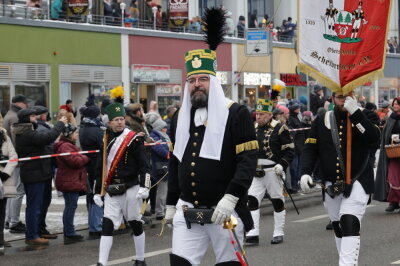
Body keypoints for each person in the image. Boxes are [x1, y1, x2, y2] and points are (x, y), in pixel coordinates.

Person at [165, 9, 258, 264]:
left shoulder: (236, 113)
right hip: (188, 210)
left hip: (223, 210)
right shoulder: (179, 117)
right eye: (192, 79)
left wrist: (231, 197)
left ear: (213, 82)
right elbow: (176, 162)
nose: (197, 84)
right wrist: (171, 203)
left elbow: (248, 160)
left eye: (203, 79)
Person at [300, 93, 380, 265]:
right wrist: (305, 172)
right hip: (331, 183)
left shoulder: (366, 115)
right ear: (333, 97)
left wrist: (356, 113)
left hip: (358, 180)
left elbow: (374, 139)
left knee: (349, 221)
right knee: (338, 226)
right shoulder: (322, 119)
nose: (343, 100)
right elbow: (310, 148)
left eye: (347, 96)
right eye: (340, 96)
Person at [93, 102, 151, 266]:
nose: (119, 122)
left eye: (121, 119)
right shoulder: (105, 139)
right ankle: (101, 263)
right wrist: (97, 191)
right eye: (116, 120)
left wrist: (144, 186)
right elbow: (100, 167)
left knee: (135, 223)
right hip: (111, 189)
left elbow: (144, 165)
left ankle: (140, 259)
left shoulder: (133, 139)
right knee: (107, 224)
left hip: (131, 187)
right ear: (109, 122)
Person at [13, 109, 67, 246]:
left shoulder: (31, 130)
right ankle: (32, 235)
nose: (35, 117)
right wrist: (60, 124)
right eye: (32, 116)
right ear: (26, 118)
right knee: (34, 206)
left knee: (43, 203)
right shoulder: (25, 133)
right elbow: (47, 138)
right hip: (33, 174)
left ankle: (40, 229)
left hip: (42, 172)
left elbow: (44, 144)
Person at [244, 99, 294, 246]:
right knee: (252, 200)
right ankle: (253, 232)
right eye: (256, 114)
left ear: (268, 115)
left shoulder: (279, 128)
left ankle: (278, 232)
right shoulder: (252, 128)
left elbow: (290, 151)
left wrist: (282, 165)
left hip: (273, 171)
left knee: (277, 201)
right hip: (255, 171)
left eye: (261, 114)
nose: (257, 117)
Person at [54, 124, 89, 244]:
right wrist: (85, 158)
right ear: (69, 134)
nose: (77, 134)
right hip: (68, 181)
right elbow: (75, 161)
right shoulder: (65, 146)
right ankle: (69, 232)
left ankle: (69, 231)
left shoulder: (68, 145)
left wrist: (81, 156)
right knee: (70, 206)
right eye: (75, 133)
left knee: (71, 206)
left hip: (70, 180)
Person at [80, 104, 105, 240]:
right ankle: (96, 226)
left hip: (89, 165)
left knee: (91, 195)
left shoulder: (84, 128)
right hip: (97, 166)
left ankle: (93, 224)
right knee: (97, 195)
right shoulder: (96, 130)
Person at [32, 105, 58, 240]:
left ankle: (40, 228)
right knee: (41, 201)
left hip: (46, 167)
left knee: (43, 200)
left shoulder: (42, 127)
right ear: (42, 115)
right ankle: (39, 229)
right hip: (43, 168)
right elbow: (48, 144)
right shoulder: (41, 129)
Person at [3, 95, 27, 234]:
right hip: (16, 159)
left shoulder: (9, 114)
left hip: (10, 159)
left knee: (11, 191)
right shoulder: (15, 117)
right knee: (18, 191)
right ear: (19, 103)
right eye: (24, 103)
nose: (26, 105)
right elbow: (17, 140)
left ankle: (8, 220)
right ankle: (14, 222)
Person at [375, 97, 400, 212]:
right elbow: (385, 133)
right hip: (393, 153)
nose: (395, 106)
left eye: (397, 104)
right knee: (391, 177)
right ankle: (393, 202)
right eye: (394, 104)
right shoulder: (391, 118)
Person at [0, 125, 18, 251]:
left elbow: (13, 156)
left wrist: (6, 173)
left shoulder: (4, 135)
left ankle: (0, 237)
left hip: (4, 178)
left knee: (1, 210)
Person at [149, 118, 170, 220]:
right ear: (159, 128)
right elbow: (161, 150)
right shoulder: (154, 137)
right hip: (160, 166)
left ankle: (164, 209)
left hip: (165, 165)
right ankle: (160, 212)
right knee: (162, 191)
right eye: (164, 127)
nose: (166, 129)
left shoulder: (163, 136)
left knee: (165, 190)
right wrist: (169, 153)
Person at [287, 101, 305, 193]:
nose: (299, 109)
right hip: (295, 147)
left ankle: (296, 184)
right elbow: (293, 134)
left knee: (298, 167)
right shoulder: (291, 119)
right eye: (297, 108)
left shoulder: (297, 118)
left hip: (299, 146)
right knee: (294, 167)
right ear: (294, 109)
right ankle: (293, 185)